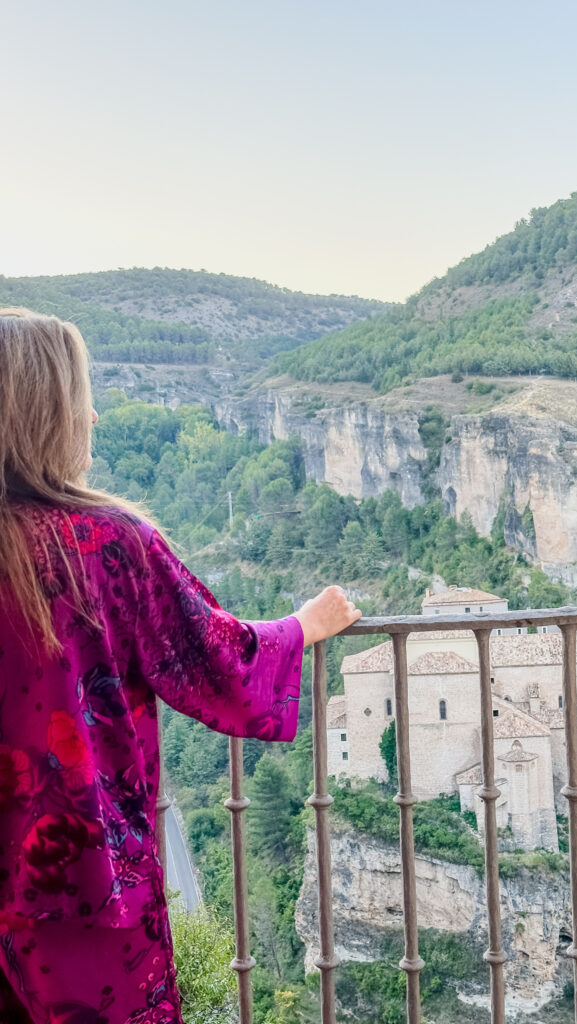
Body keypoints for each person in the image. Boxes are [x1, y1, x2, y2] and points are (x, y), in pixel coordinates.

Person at [0, 308, 361, 1024]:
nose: (95, 415)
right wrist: (304, 625)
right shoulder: (106, 544)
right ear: (49, 413)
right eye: (81, 398)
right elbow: (214, 660)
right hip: (78, 886)